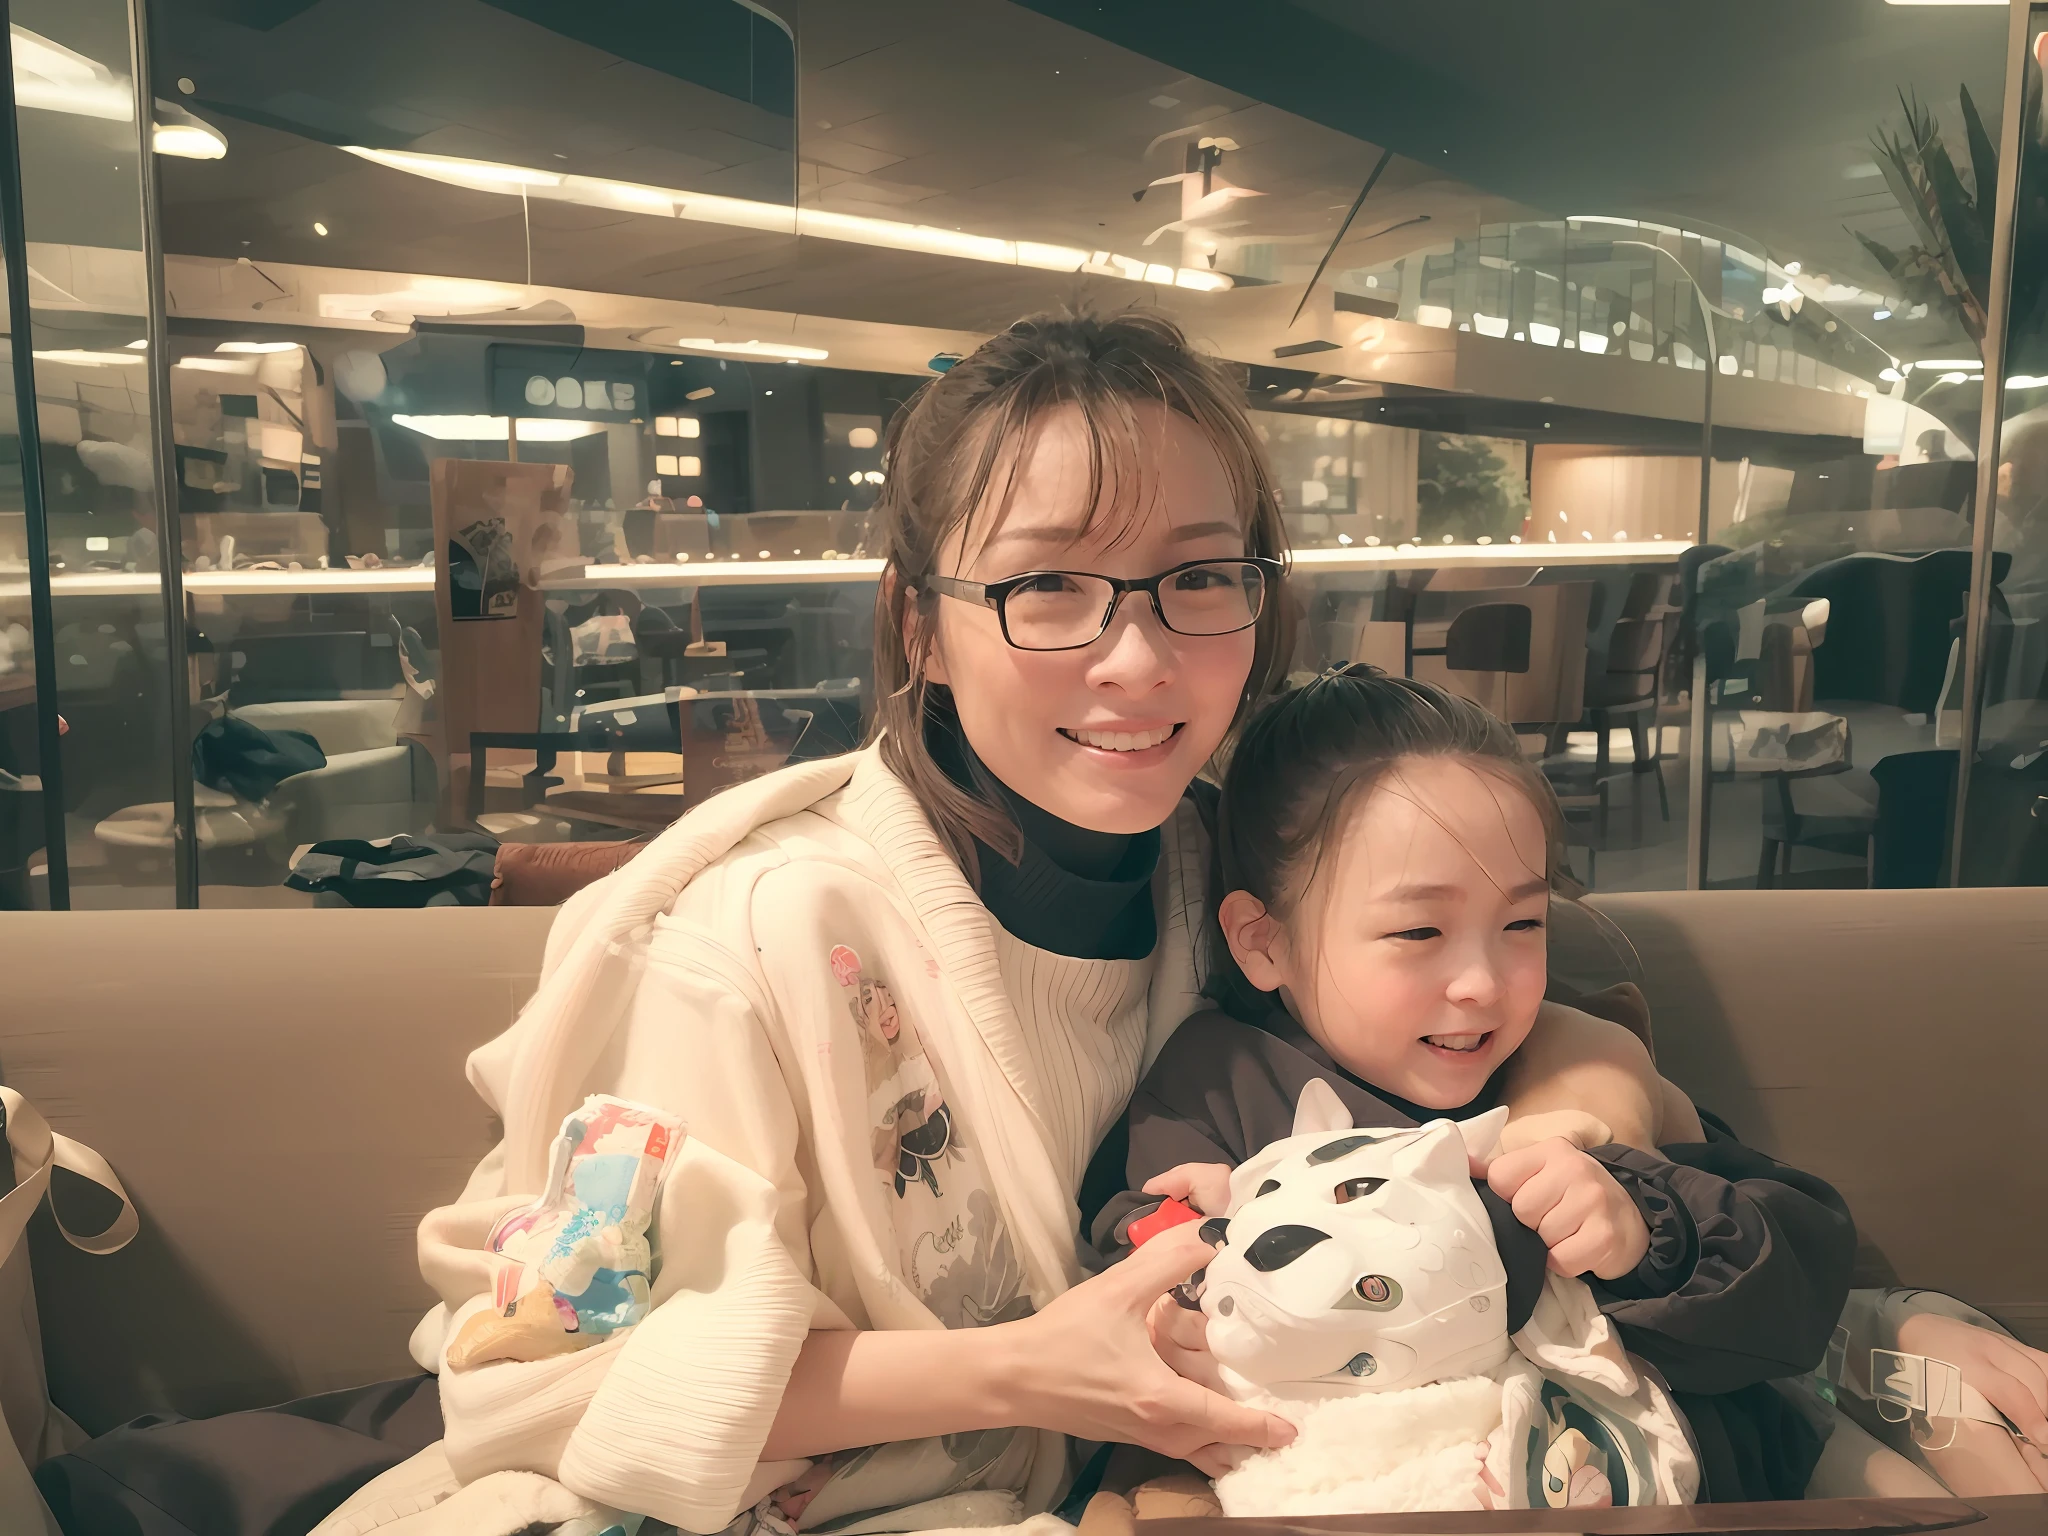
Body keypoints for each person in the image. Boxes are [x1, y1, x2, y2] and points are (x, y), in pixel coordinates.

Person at [30, 314, 1727, 1536]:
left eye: (1195, 578)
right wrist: (1022, 1374)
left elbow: (1545, 1006)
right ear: (920, 621)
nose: (1135, 661)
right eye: (1048, 585)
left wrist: (1577, 1132)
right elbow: (548, 1381)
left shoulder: (1229, 874)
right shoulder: (760, 933)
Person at [1085, 668, 1859, 1503]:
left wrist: (1642, 1229)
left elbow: (1796, 1285)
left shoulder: (1568, 1068)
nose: (1482, 985)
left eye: (1523, 923)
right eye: (1419, 930)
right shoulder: (1220, 1086)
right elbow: (1132, 1252)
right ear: (1263, 940)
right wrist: (1192, 1269)